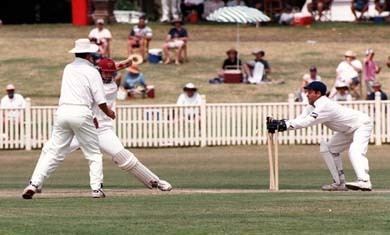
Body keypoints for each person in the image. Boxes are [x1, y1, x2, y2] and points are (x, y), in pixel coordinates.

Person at [56, 58, 172, 194]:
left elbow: (94, 84)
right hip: (82, 127)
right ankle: (34, 183)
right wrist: (114, 66)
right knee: (54, 151)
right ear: (100, 71)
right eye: (106, 72)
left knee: (124, 158)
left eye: (111, 73)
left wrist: (107, 68)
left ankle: (155, 181)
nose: (109, 75)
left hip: (102, 129)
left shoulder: (110, 87)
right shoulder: (94, 79)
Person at [22, 39, 116, 199]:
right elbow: (100, 100)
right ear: (88, 55)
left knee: (53, 152)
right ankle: (96, 189)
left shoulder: (68, 68)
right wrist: (109, 113)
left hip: (62, 112)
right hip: (81, 112)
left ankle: (34, 184)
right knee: (93, 154)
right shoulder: (92, 71)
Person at [267, 81, 373, 191]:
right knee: (329, 148)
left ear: (318, 93)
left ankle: (364, 181)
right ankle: (339, 183)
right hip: (347, 130)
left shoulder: (324, 105)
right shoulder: (312, 106)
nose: (307, 94)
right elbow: (300, 119)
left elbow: (306, 122)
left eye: (309, 92)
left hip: (361, 125)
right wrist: (281, 123)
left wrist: (284, 125)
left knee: (355, 151)